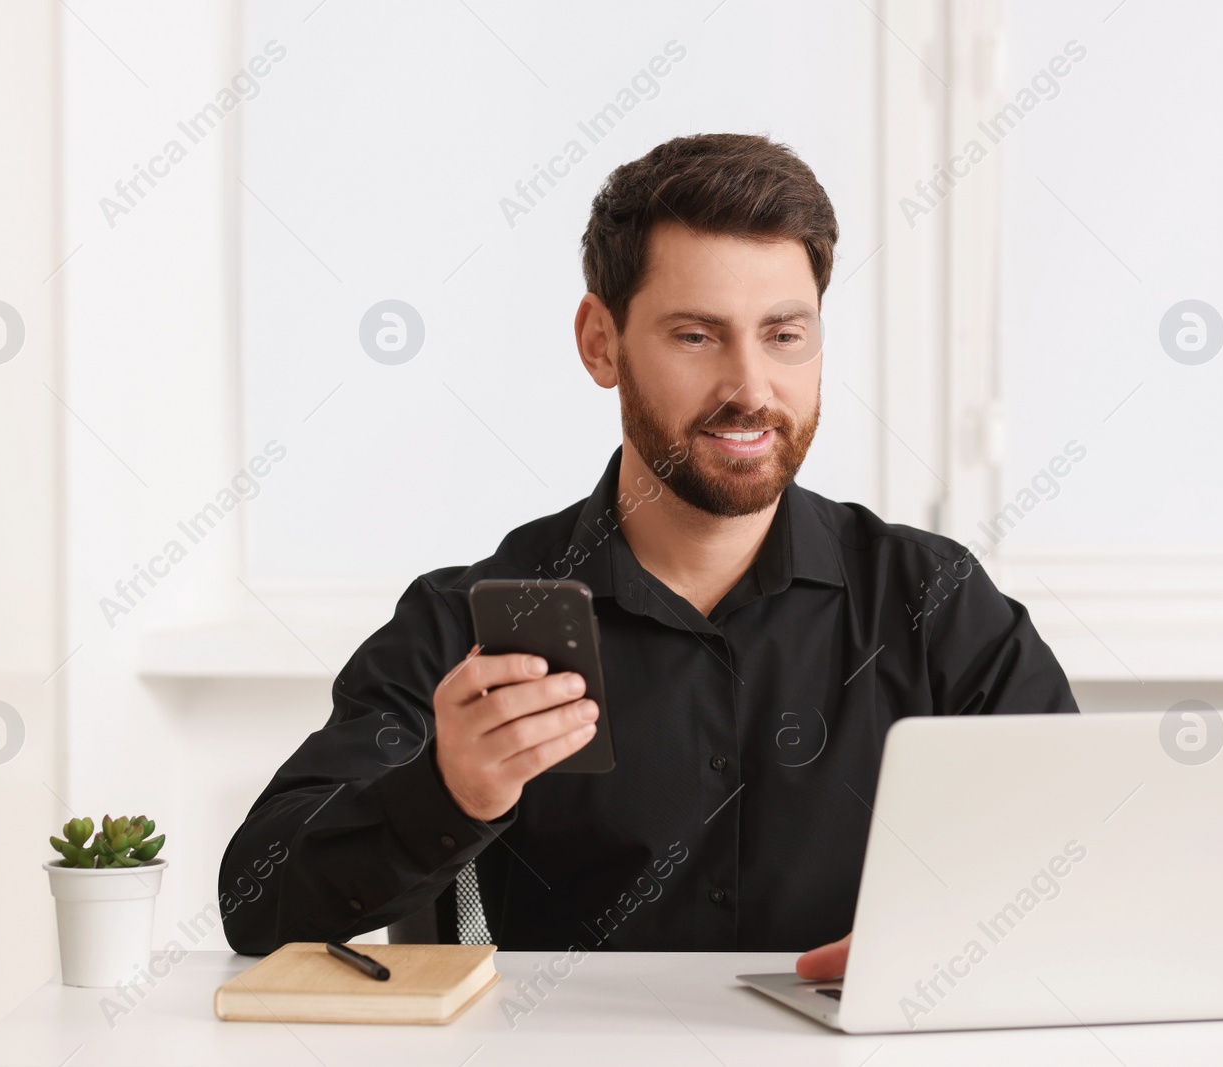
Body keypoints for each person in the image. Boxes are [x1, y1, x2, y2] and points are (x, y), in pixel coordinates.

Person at [219, 133, 1078, 979]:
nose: (751, 387)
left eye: (785, 335)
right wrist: (448, 791)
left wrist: (954, 947)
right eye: (698, 336)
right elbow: (256, 902)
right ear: (601, 342)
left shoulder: (935, 603)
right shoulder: (469, 624)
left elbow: (1088, 856)